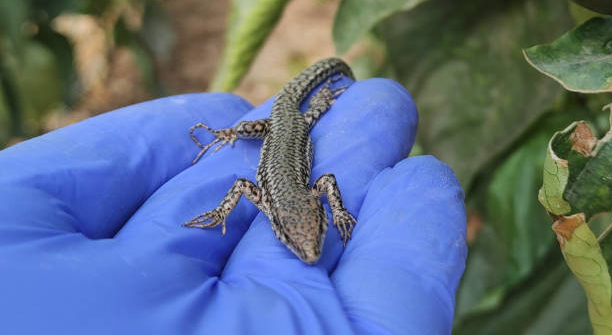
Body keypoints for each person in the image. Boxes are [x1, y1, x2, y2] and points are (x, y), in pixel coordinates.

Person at [0, 76, 467, 334]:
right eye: (299, 239)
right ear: (280, 226)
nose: (308, 249)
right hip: (281, 126)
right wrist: (225, 184)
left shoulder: (298, 200)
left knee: (303, 119)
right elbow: (249, 185)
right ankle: (249, 122)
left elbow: (311, 180)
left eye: (314, 237)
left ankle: (321, 95)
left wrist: (337, 212)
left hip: (294, 130)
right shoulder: (278, 200)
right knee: (275, 120)